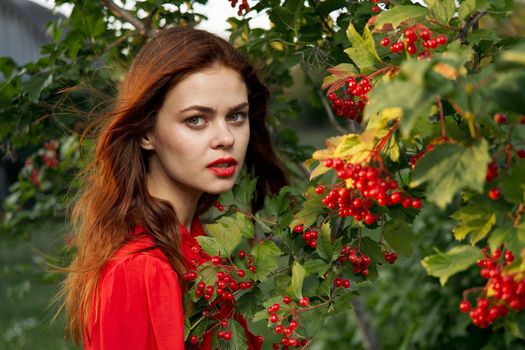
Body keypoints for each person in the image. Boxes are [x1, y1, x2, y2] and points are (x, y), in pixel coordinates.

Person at [52, 26, 287, 349]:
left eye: (236, 116)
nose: (226, 138)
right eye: (196, 119)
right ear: (147, 132)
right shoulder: (142, 270)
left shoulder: (195, 247)